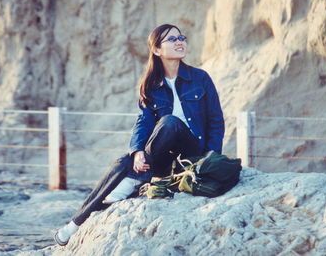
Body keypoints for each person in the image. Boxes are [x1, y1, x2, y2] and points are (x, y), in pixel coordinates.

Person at [54, 24, 225, 246]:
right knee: (125, 160)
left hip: (192, 154)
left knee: (170, 122)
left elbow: (216, 121)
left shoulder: (200, 78)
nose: (179, 42)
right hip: (164, 160)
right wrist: (136, 152)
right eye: (171, 39)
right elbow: (143, 122)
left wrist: (210, 157)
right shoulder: (151, 86)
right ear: (156, 50)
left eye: (181, 37)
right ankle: (75, 224)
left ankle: (134, 180)